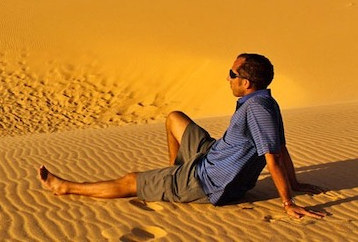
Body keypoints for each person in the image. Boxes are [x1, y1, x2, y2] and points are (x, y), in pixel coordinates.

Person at [38, 53, 326, 219]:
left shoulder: (258, 111)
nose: (228, 78)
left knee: (131, 180)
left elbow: (273, 156)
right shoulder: (263, 101)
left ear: (246, 82)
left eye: (232, 73)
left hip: (206, 183)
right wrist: (296, 181)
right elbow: (281, 146)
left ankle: (65, 188)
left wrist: (288, 202)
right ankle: (175, 173)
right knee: (174, 118)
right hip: (211, 156)